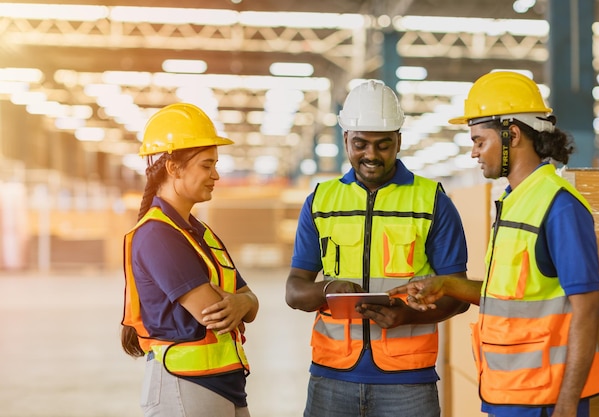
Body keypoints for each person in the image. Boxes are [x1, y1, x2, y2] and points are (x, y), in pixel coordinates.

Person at [389, 71, 599, 417]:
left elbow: (587, 309)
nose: (474, 152)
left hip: (546, 402)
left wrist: (567, 405)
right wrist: (445, 284)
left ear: (513, 134)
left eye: (480, 140)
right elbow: (510, 298)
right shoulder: (515, 201)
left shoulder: (559, 206)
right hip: (508, 395)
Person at [285, 79, 470, 417]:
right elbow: (294, 292)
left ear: (398, 140)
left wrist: (407, 315)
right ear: (345, 140)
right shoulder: (320, 202)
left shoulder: (433, 202)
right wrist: (328, 289)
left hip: (409, 383)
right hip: (331, 377)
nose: (371, 155)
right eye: (360, 144)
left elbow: (458, 295)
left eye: (383, 145)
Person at [120, 102, 259, 417]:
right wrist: (243, 303)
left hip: (224, 383)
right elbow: (212, 313)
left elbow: (249, 301)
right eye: (206, 165)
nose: (216, 175)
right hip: (184, 386)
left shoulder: (199, 232)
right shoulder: (157, 236)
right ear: (173, 167)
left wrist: (244, 303)